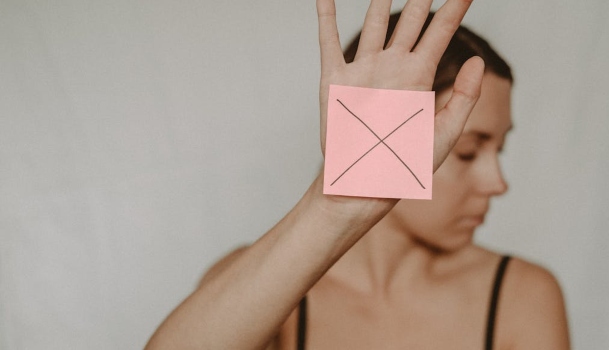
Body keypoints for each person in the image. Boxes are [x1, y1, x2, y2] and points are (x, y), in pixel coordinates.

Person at [146, 0, 569, 349]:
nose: (498, 183)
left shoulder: (521, 295)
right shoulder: (262, 285)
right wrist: (335, 206)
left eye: (500, 149)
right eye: (468, 152)